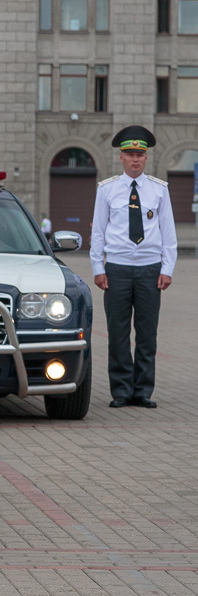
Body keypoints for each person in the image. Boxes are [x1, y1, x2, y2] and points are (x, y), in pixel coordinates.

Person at [90, 125, 176, 409]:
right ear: (121, 157)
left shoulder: (159, 190)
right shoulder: (107, 190)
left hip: (150, 269)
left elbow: (168, 232)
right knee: (118, 333)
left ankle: (142, 391)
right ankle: (121, 390)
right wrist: (97, 267)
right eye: (130, 154)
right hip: (117, 268)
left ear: (147, 157)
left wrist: (168, 268)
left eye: (140, 154)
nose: (135, 159)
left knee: (147, 333)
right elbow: (99, 231)